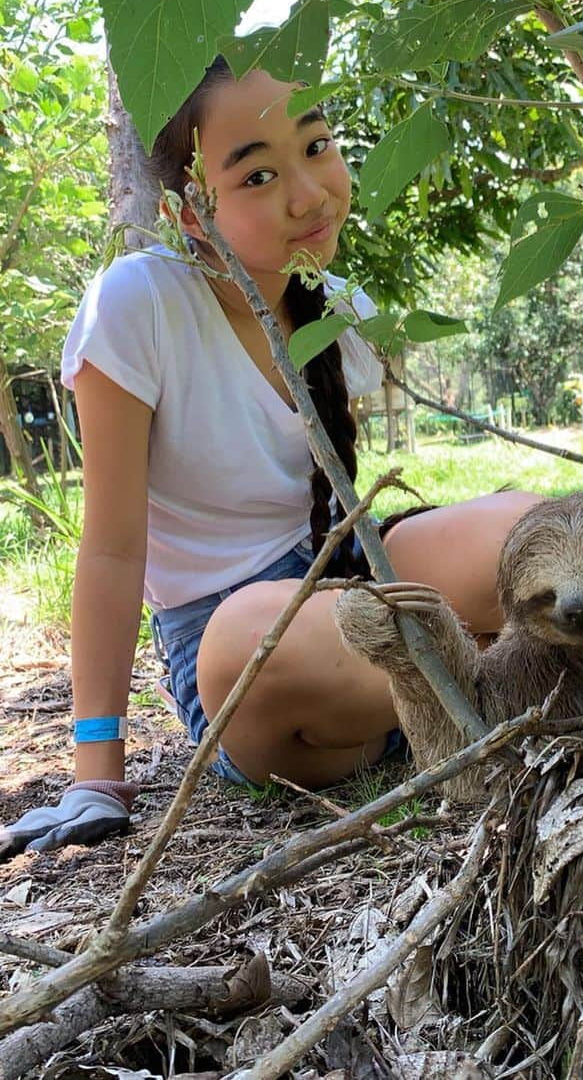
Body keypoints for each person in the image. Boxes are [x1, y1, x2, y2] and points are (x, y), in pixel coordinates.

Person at [0, 58, 539, 857]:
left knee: (526, 526)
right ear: (188, 212)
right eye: (256, 174)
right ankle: (515, 670)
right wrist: (94, 771)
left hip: (347, 573)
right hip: (238, 651)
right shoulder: (138, 304)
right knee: (253, 634)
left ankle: (484, 678)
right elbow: (111, 550)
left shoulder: (341, 308)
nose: (310, 193)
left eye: (316, 146)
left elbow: (342, 511)